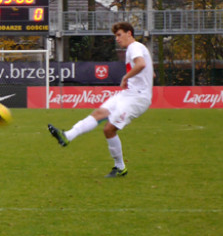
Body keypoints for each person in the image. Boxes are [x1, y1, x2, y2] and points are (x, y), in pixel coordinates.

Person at [48, 21, 153, 177]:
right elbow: (147, 68)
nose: (117, 39)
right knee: (99, 113)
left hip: (137, 97)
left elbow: (141, 64)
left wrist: (126, 77)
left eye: (119, 35)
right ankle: (67, 136)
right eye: (115, 36)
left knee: (109, 129)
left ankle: (120, 167)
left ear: (129, 33)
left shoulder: (134, 47)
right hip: (129, 94)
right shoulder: (137, 49)